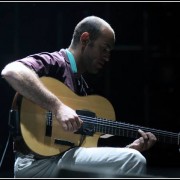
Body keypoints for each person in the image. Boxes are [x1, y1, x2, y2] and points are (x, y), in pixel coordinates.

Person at [1, 15, 157, 178]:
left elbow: (84, 150)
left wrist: (128, 150)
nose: (107, 57)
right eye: (104, 48)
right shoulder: (56, 62)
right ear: (85, 39)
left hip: (61, 159)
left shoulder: (82, 87)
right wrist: (58, 107)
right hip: (36, 163)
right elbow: (11, 71)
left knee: (131, 158)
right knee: (134, 160)